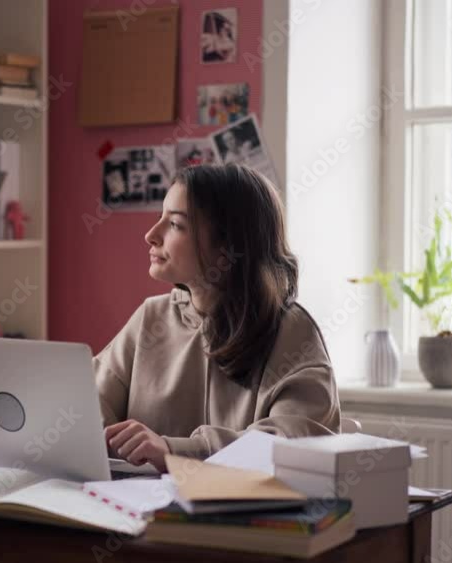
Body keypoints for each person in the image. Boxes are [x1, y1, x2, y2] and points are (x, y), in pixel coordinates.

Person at [94, 164, 340, 472]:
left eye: (175, 224)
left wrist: (172, 450)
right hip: (133, 511)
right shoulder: (151, 317)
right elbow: (88, 401)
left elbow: (292, 444)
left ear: (226, 250)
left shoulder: (291, 331)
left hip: (242, 518)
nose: (150, 235)